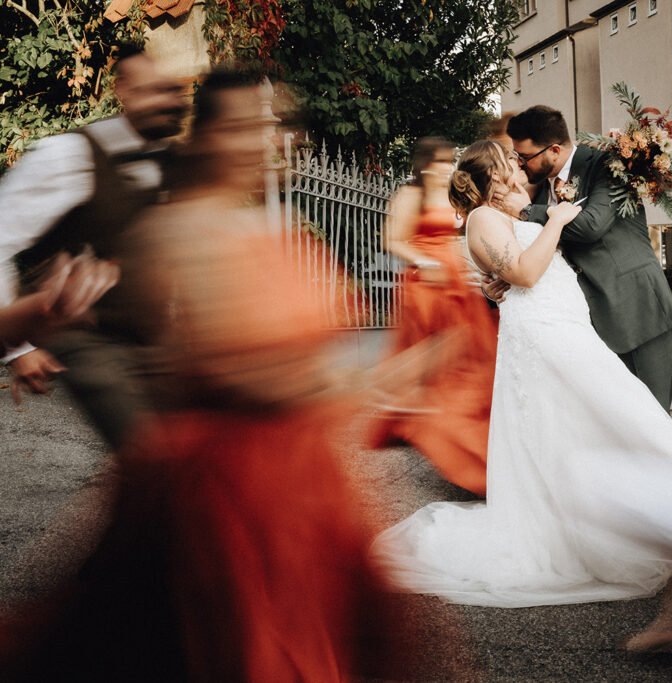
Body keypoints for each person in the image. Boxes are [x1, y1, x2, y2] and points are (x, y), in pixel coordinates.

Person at [0, 69, 434, 683]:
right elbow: (222, 370)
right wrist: (365, 384)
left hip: (304, 476)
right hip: (234, 484)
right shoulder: (173, 228)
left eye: (270, 124)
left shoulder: (264, 225)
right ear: (206, 137)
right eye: (243, 127)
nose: (262, 140)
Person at [371, 140, 672, 608]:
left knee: (583, 421)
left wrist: (529, 236)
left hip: (563, 326)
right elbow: (526, 273)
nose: (516, 165)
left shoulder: (504, 214)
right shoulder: (484, 217)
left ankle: (663, 500)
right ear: (494, 172)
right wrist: (557, 221)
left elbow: (511, 270)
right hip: (545, 334)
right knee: (621, 409)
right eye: (509, 162)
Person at [0, 43, 187, 450]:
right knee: (150, 452)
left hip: (153, 337)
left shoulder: (174, 160)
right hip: (85, 336)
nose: (169, 101)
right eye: (153, 90)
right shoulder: (69, 155)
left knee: (195, 449)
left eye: (172, 91)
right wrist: (20, 346)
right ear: (124, 90)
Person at [486, 105, 672, 411]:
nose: (521, 165)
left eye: (525, 158)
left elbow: (592, 226)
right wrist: (505, 276)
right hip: (585, 319)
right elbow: (545, 245)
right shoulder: (540, 189)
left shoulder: (607, 166)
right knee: (613, 420)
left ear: (553, 150)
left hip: (636, 309)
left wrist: (524, 211)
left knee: (653, 417)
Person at [365, 137, 498, 496]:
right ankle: (430, 417)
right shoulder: (411, 195)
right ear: (425, 164)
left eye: (448, 162)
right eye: (439, 162)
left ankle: (461, 411)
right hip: (425, 282)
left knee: (465, 354)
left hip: (455, 281)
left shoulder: (450, 194)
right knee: (429, 355)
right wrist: (424, 261)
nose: (444, 168)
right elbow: (392, 239)